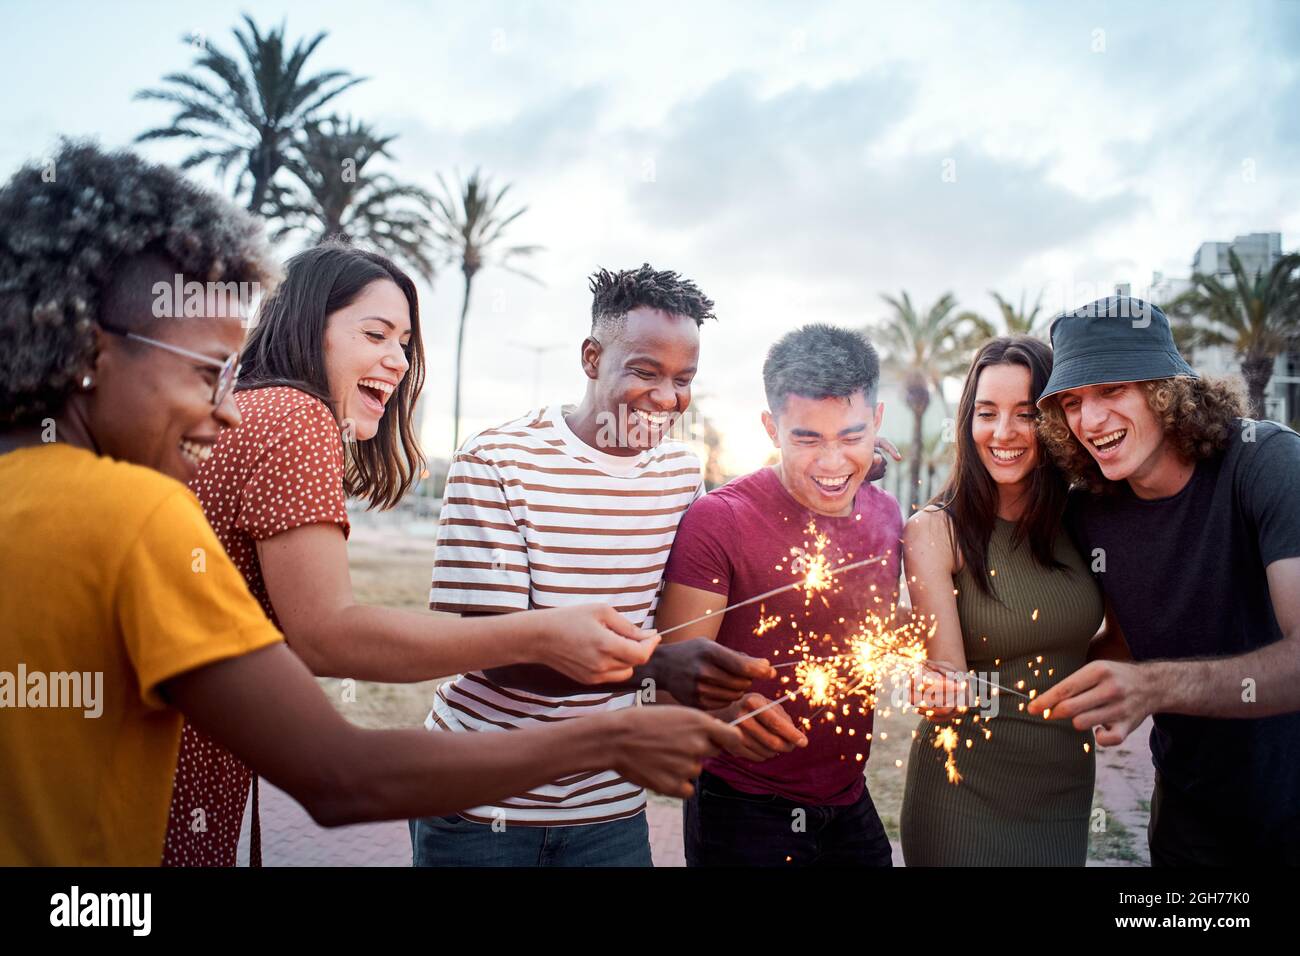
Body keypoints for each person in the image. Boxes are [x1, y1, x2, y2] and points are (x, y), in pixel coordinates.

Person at [0, 141, 740, 865]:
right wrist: (584, 691)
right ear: (93, 352)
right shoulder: (265, 433)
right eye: (205, 371)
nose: (226, 411)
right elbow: (333, 717)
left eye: (407, 343)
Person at [164, 242, 667, 866]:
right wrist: (541, 635)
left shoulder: (246, 408)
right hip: (184, 766)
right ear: (305, 325)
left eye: (404, 343)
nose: (397, 360)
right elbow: (327, 635)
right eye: (375, 334)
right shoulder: (297, 418)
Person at [411, 264, 775, 866]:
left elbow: (745, 516)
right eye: (645, 371)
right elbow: (499, 658)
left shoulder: (681, 472)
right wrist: (656, 669)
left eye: (684, 379)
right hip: (480, 801)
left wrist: (836, 463)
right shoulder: (497, 461)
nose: (667, 398)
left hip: (607, 804)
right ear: (590, 356)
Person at [1031, 296, 1300, 866]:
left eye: (1113, 390)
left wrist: (1153, 688)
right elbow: (1124, 640)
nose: (1090, 420)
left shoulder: (1267, 462)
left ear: (1166, 391)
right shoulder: (1091, 509)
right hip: (1186, 812)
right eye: (1073, 401)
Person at [655, 324, 901, 867]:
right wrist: (721, 711)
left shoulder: (887, 514)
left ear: (878, 422)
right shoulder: (720, 521)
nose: (833, 463)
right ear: (771, 427)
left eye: (851, 436)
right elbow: (667, 686)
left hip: (849, 797)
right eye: (807, 439)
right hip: (741, 805)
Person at [898, 336, 1104, 865]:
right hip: (962, 793)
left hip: (1065, 789)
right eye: (986, 413)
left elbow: (1114, 647)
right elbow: (944, 677)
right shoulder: (934, 531)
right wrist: (930, 685)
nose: (1003, 433)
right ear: (967, 421)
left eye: (1026, 414)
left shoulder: (1087, 520)